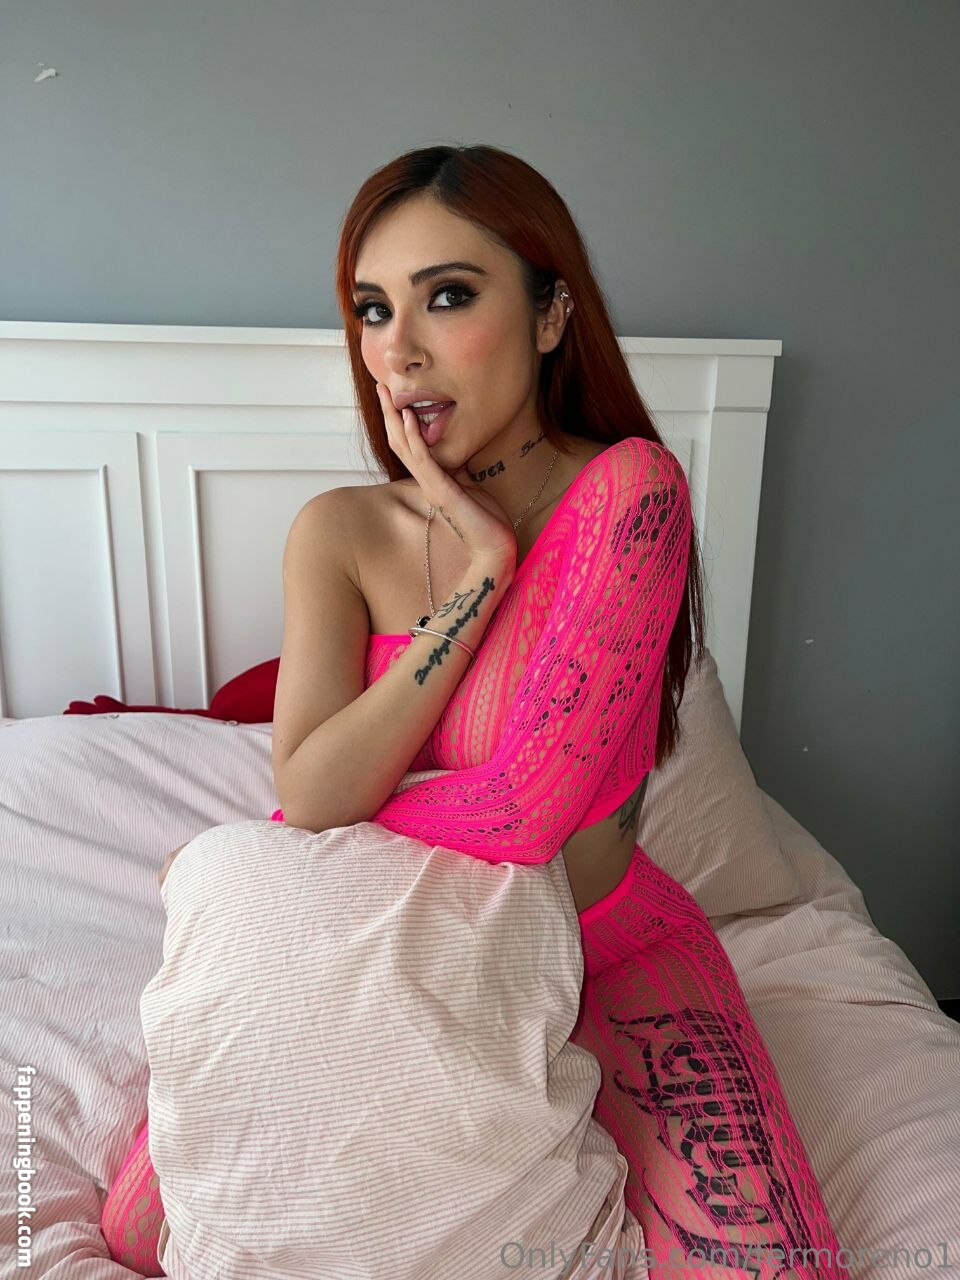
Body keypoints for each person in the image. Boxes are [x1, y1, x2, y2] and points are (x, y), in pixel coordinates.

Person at [101, 144, 845, 1279]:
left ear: (550, 314)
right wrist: (480, 576)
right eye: (373, 309)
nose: (398, 349)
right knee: (143, 1232)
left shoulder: (630, 495)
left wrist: (259, 848)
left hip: (591, 949)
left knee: (774, 1267)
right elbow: (309, 787)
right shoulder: (341, 532)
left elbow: (522, 815)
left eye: (447, 296)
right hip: (373, 944)